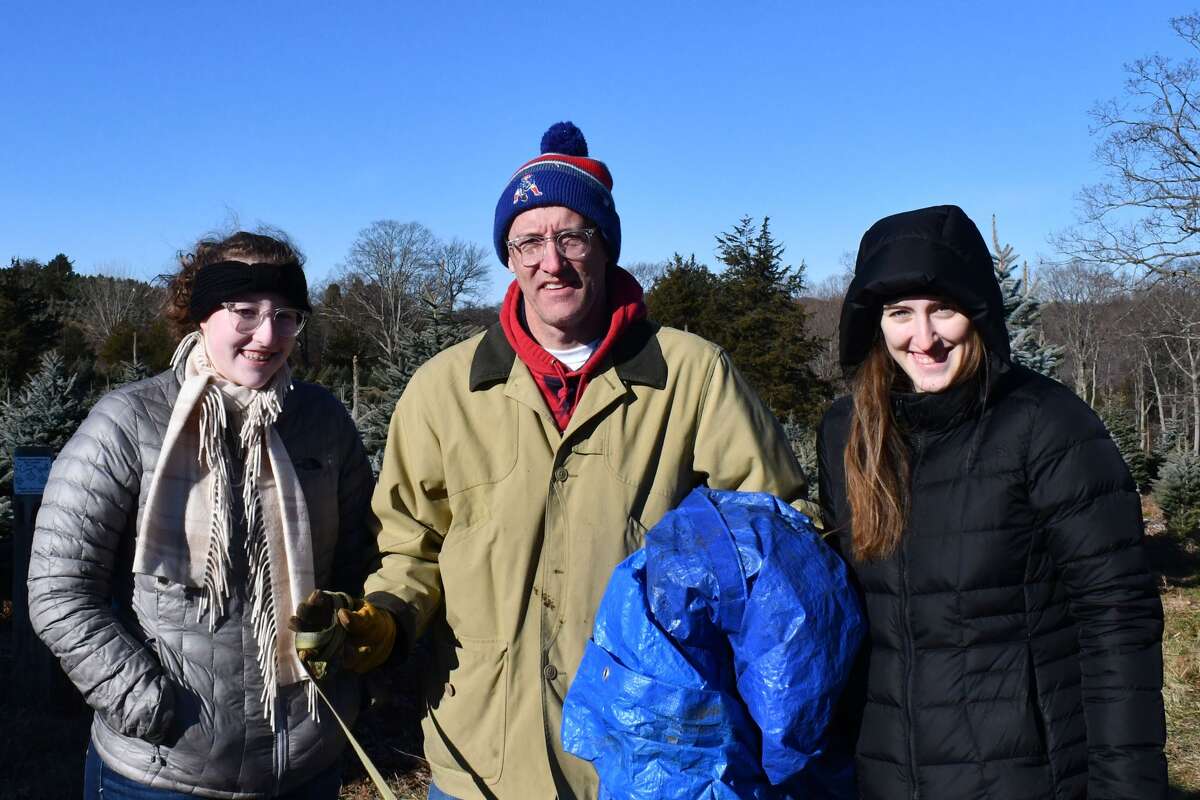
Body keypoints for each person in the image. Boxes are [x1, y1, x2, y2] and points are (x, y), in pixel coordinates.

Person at [319, 121, 812, 799]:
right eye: (528, 241)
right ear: (509, 256)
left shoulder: (692, 376)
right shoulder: (445, 390)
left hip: (650, 758)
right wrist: (385, 617)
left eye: (571, 235)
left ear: (604, 245)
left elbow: (775, 540)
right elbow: (411, 547)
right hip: (483, 756)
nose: (551, 261)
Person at [817, 204, 1168, 799]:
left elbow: (1117, 617)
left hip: (1024, 775)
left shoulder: (1046, 425)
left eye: (943, 310)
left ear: (977, 312)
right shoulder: (848, 432)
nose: (923, 339)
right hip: (883, 775)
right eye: (901, 314)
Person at [27, 230, 376, 799]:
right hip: (162, 769)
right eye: (245, 312)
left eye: (287, 315)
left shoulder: (322, 420)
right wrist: (141, 699)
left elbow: (362, 557)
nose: (268, 335)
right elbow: (58, 586)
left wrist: (354, 669)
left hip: (305, 761)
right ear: (202, 315)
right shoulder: (127, 422)